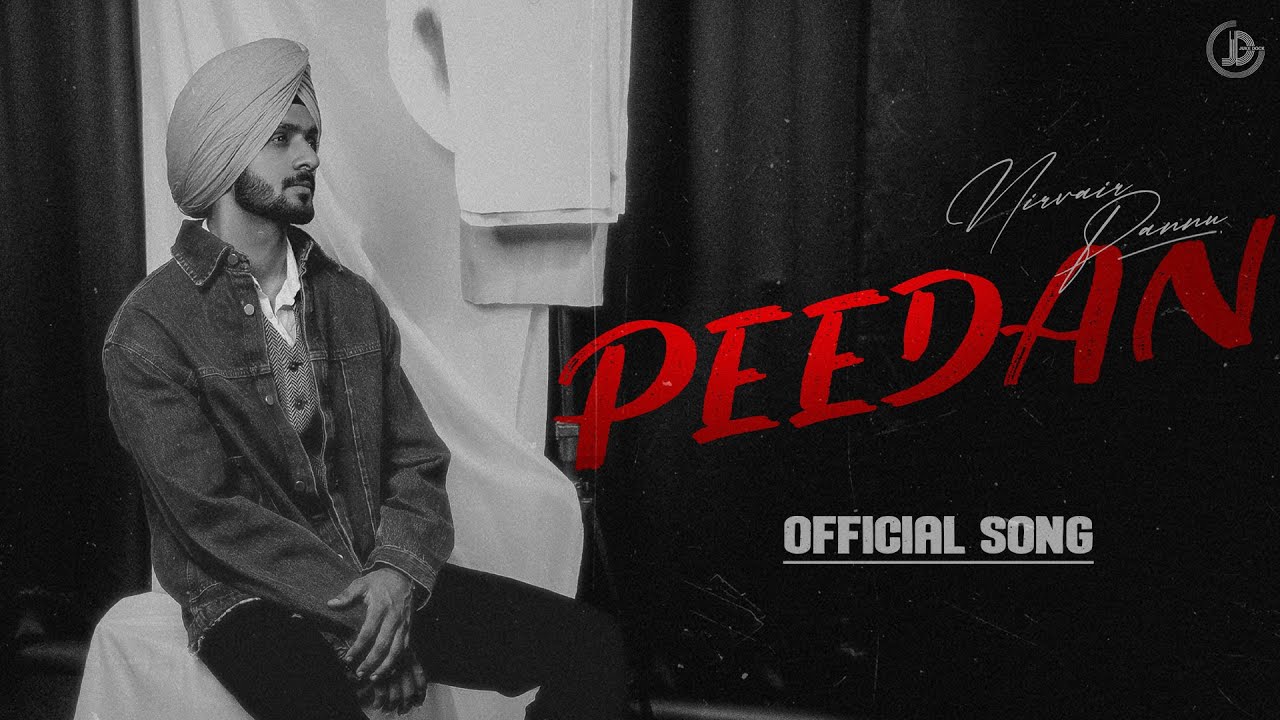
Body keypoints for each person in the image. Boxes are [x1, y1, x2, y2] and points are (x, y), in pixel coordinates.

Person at [103, 38, 629, 720]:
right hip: (245, 597)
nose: (309, 157)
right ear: (224, 152)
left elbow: (416, 460)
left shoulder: (351, 301)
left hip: (377, 574)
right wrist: (366, 617)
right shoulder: (149, 329)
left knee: (591, 645)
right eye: (283, 138)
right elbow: (214, 518)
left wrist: (397, 575)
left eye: (313, 137)